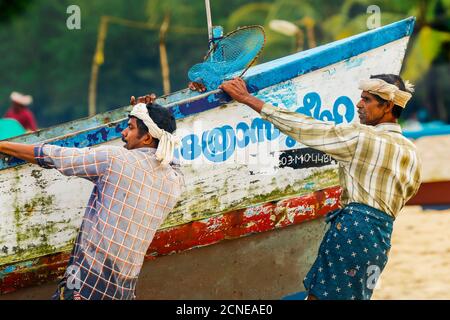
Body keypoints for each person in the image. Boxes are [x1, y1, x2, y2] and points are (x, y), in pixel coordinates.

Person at [219, 74, 421, 300]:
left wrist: (247, 98)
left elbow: (305, 127)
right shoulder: (412, 153)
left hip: (353, 230)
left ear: (388, 106)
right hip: (381, 238)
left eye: (366, 100)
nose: (358, 104)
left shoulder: (362, 138)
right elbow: (409, 191)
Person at [0, 93, 184, 300]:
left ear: (147, 137)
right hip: (123, 292)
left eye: (130, 128)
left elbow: (53, 156)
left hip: (86, 283)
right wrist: (145, 112)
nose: (123, 133)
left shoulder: (116, 159)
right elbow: (169, 154)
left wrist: (3, 145)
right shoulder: (175, 180)